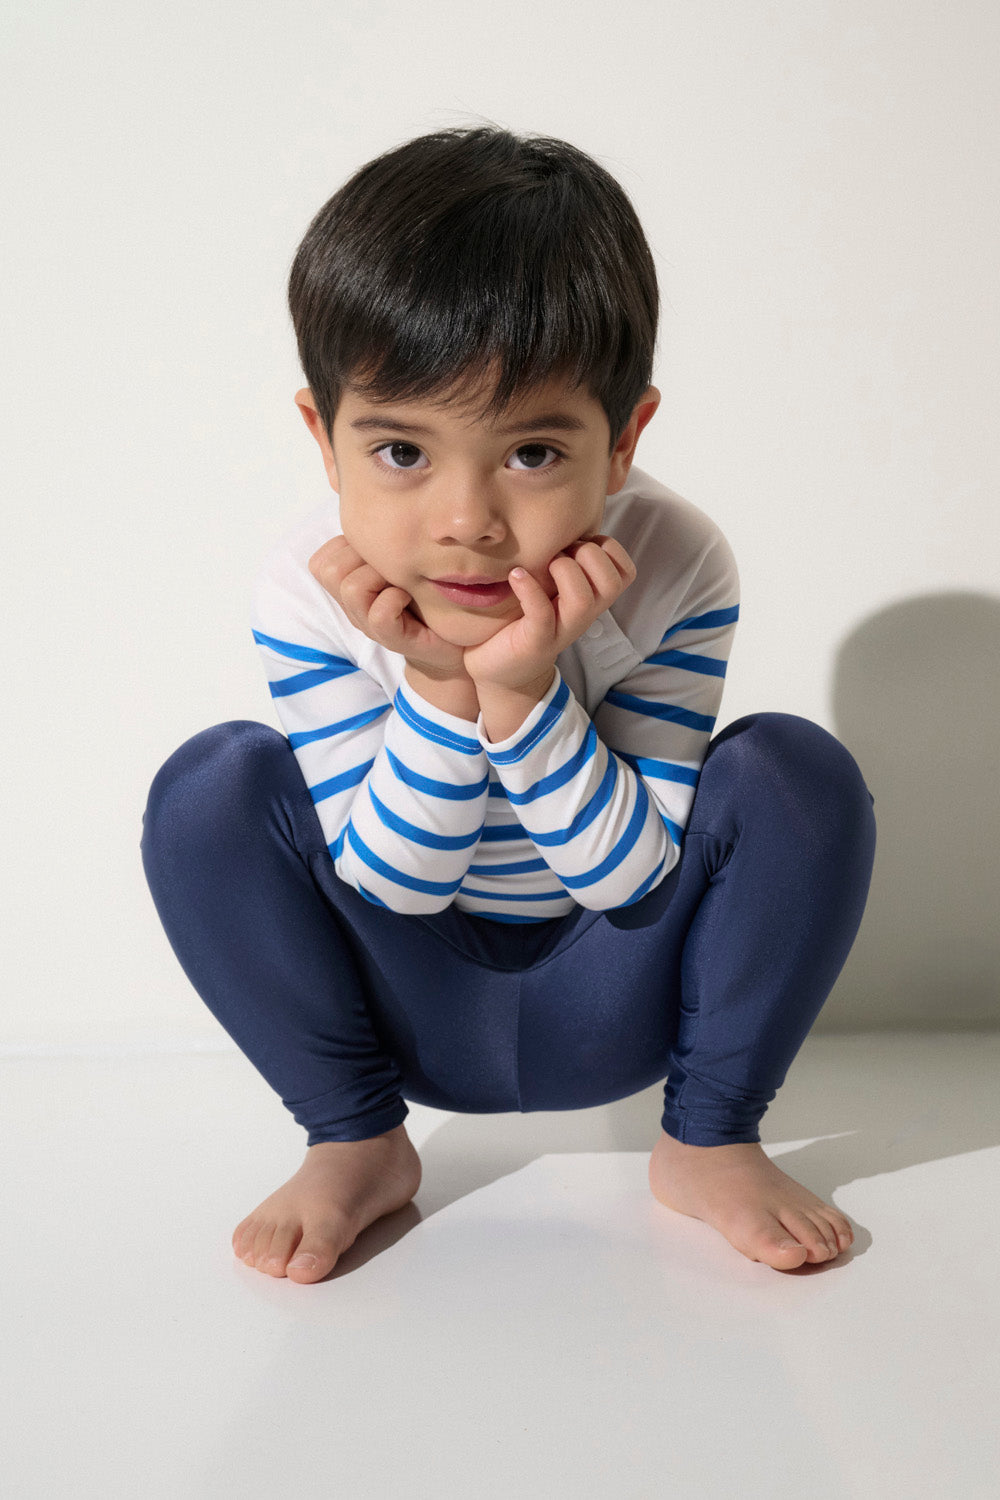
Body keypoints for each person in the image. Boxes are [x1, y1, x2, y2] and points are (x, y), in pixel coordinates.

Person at [140, 126, 876, 1283]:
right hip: (406, 997)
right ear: (321, 439)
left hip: (613, 987)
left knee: (792, 770)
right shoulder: (311, 586)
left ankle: (708, 1141)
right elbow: (391, 883)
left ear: (624, 438)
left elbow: (630, 880)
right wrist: (439, 687)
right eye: (399, 452)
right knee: (209, 785)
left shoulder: (674, 560)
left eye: (532, 452)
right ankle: (353, 1142)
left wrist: (524, 693)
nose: (465, 518)